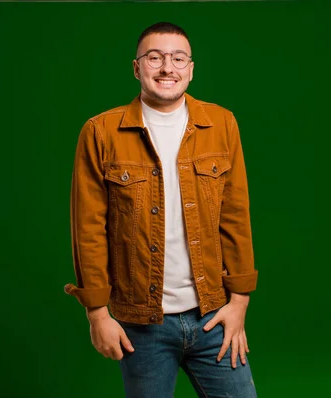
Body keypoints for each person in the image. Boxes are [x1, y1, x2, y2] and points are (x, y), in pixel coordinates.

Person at [64, 21, 259, 397]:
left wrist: (239, 302)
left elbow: (235, 214)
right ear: (137, 68)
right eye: (155, 57)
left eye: (178, 58)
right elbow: (88, 227)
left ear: (190, 68)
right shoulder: (101, 131)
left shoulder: (221, 123)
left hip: (213, 316)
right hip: (141, 325)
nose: (167, 67)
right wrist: (97, 313)